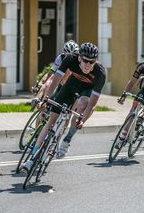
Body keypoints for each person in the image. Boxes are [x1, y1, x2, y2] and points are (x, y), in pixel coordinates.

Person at [21, 42, 106, 170]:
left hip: (87, 91)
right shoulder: (70, 59)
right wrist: (46, 99)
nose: (88, 65)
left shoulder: (100, 73)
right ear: (79, 57)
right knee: (51, 120)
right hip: (71, 86)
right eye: (85, 60)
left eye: (92, 62)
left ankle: (67, 139)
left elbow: (93, 102)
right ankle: (33, 157)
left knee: (83, 103)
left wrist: (82, 120)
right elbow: (54, 81)